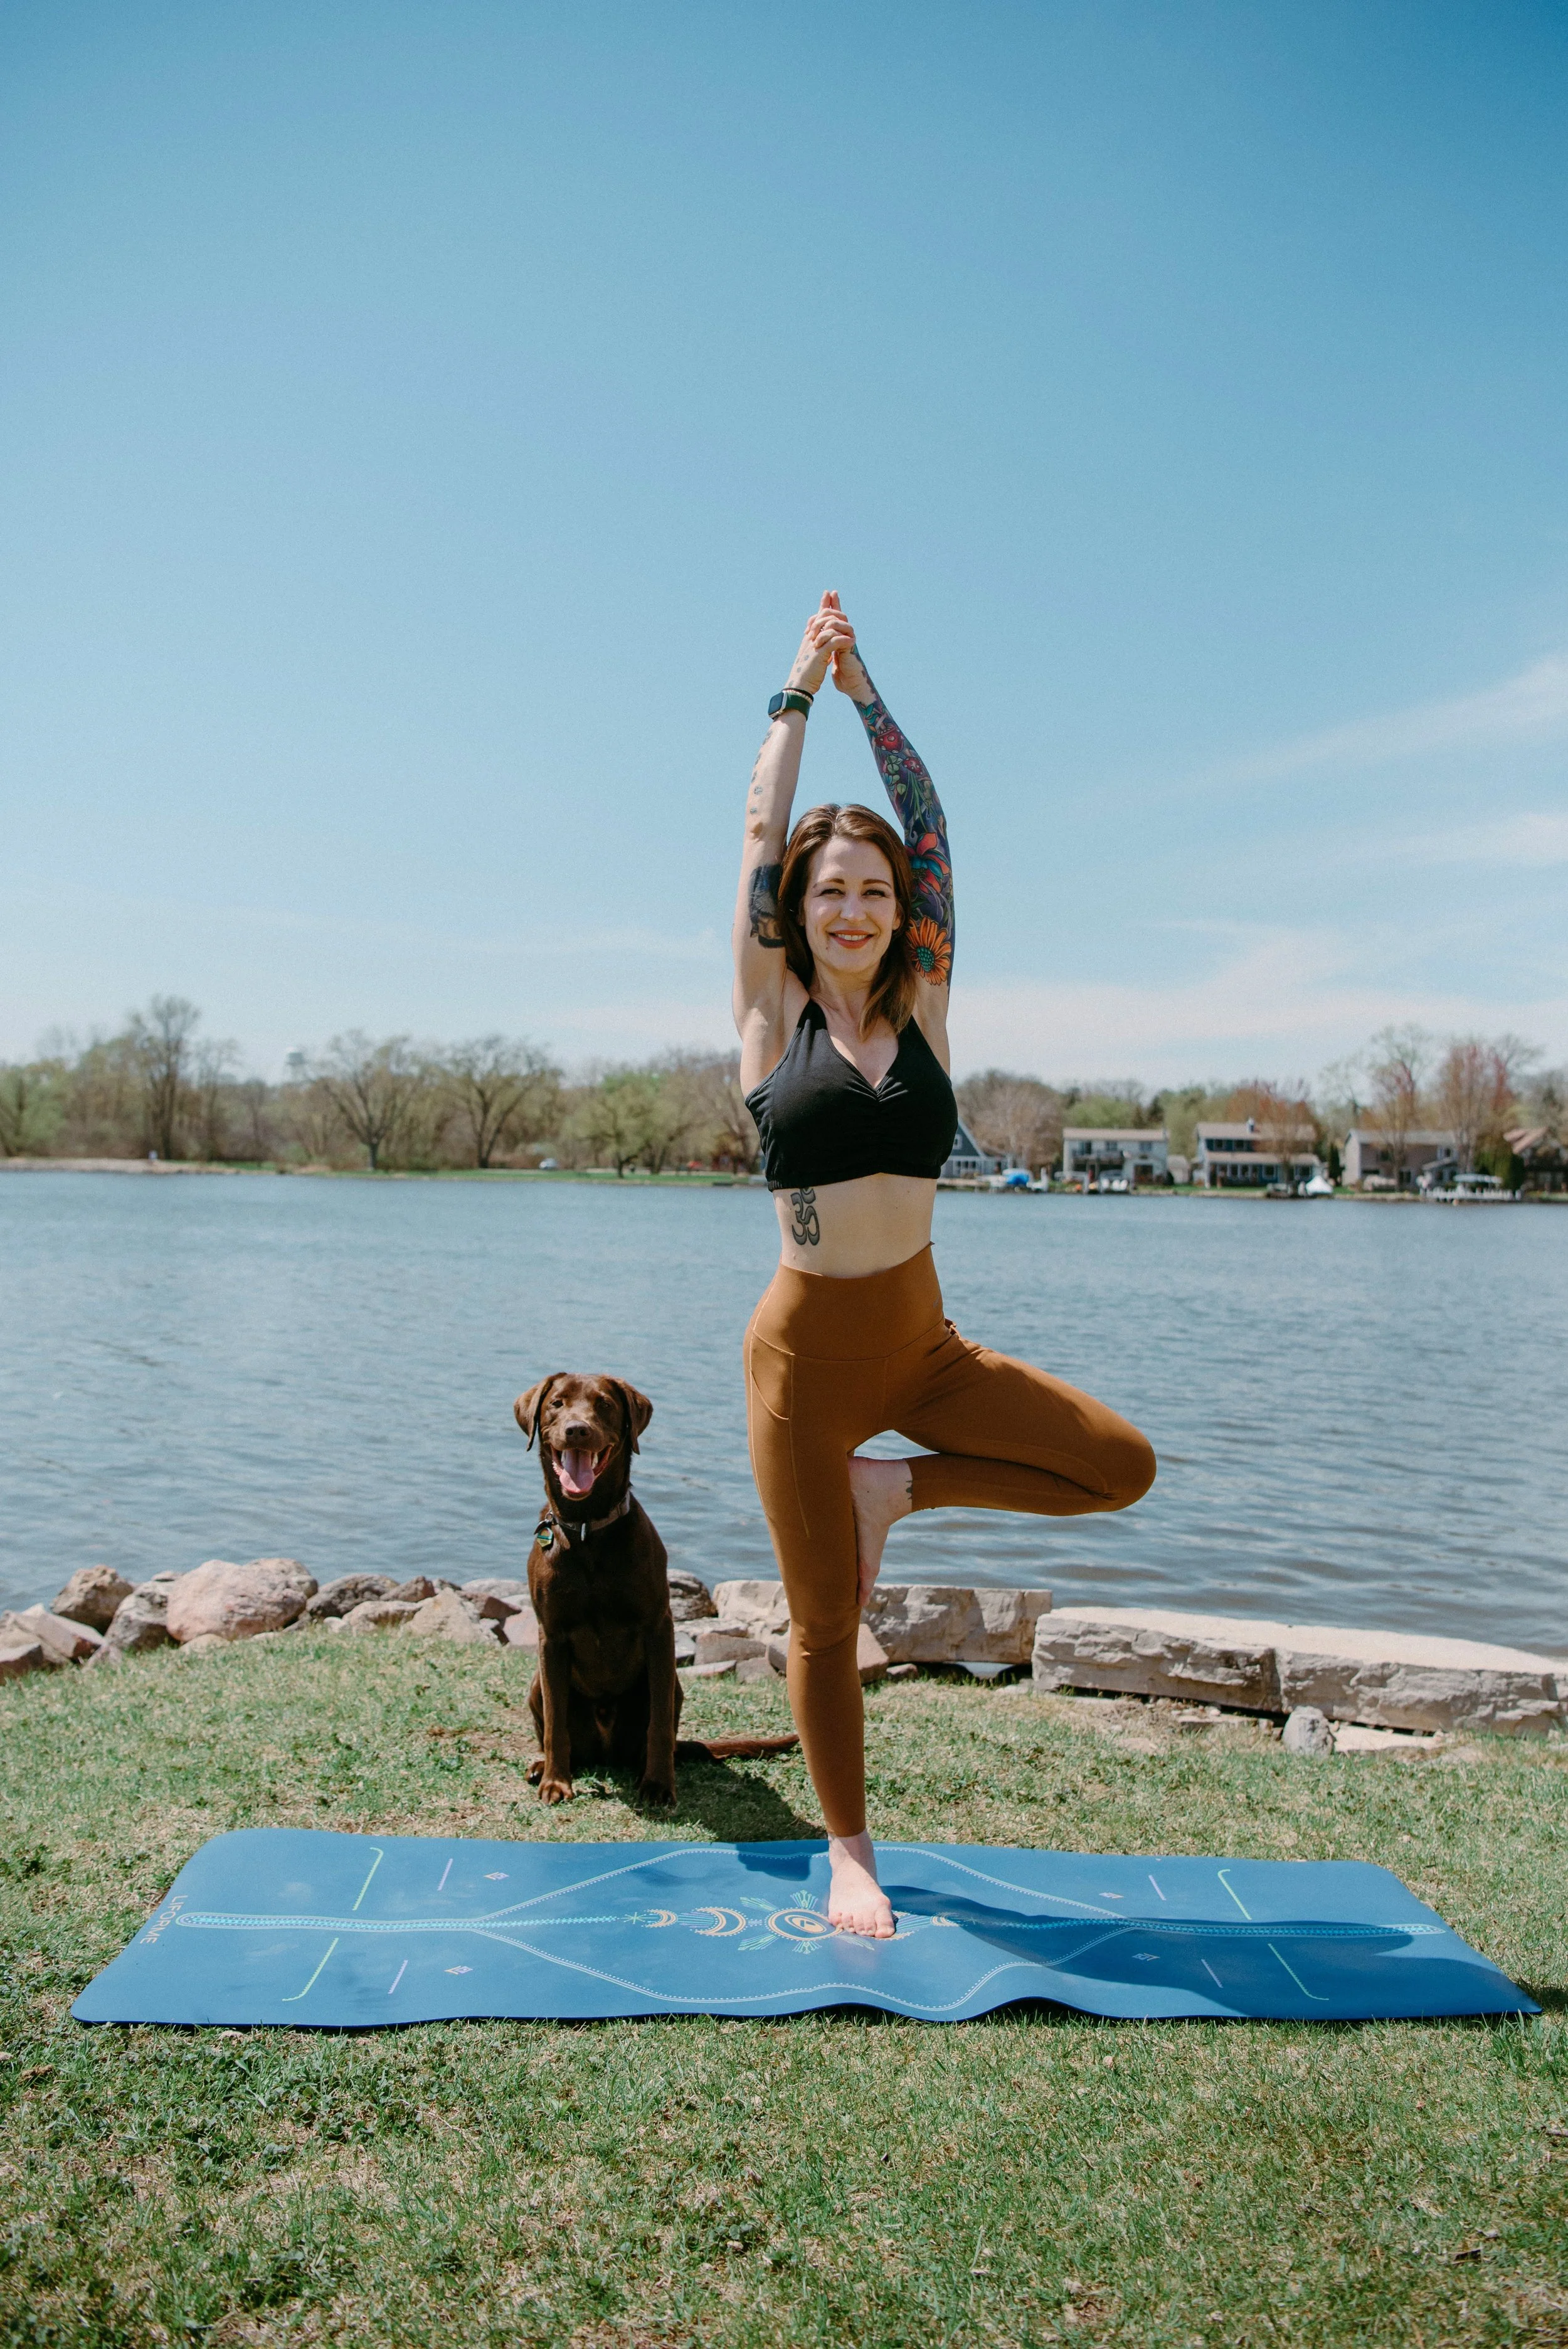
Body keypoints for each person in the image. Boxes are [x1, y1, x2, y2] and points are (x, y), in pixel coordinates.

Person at [731, 591, 1157, 1937]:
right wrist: (797, 693)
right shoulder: (767, 1011)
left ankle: (894, 1486)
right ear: (795, 909)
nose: (851, 907)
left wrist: (871, 696)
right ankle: (850, 1851)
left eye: (870, 892)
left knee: (1116, 1468)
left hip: (922, 1345)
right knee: (817, 1627)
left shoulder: (927, 1005)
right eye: (827, 891)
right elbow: (753, 829)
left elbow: (930, 827)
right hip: (801, 1360)